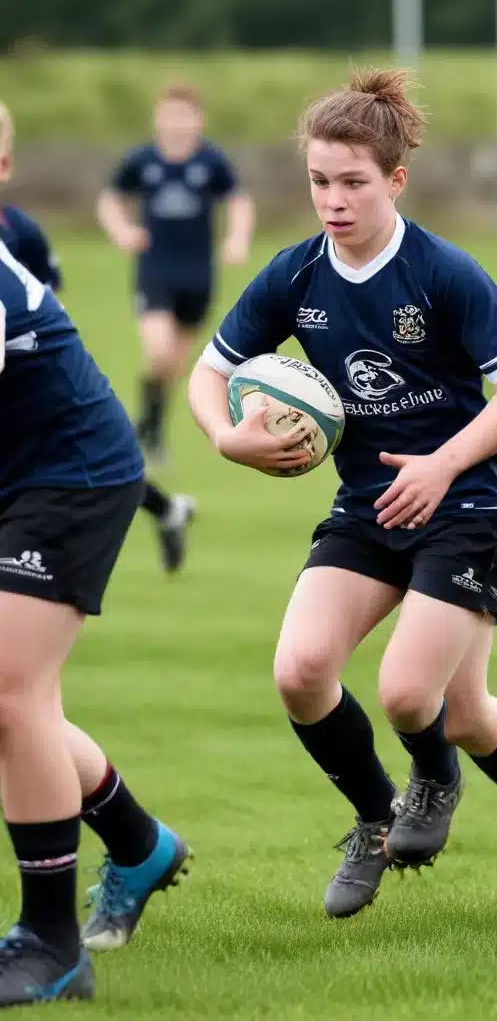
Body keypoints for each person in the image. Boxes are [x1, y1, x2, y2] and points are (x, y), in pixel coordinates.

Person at [188, 68, 497, 920]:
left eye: (353, 182)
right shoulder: (296, 275)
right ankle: (388, 820)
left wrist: (441, 466)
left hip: (473, 507)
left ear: (395, 180)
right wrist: (225, 436)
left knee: (425, 702)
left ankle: (487, 805)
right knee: (304, 672)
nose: (333, 201)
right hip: (372, 506)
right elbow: (211, 370)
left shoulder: (443, 273)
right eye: (318, 181)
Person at [0, 240, 191, 1007]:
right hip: (19, 475)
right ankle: (139, 844)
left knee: (9, 692)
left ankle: (52, 945)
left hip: (70, 475)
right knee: (25, 706)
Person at [0, 99, 195, 573]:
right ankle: (167, 505)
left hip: (38, 395)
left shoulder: (19, 231)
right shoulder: (141, 163)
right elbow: (113, 196)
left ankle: (162, 487)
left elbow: (47, 311)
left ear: (5, 165)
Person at [96, 83, 254, 465]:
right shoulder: (143, 160)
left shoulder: (211, 162)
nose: (177, 124)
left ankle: (149, 426)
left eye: (185, 116)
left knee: (176, 367)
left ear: (198, 121)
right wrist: (122, 230)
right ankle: (147, 428)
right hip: (155, 271)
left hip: (199, 275)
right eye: (170, 115)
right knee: (159, 350)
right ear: (157, 119)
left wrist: (237, 238)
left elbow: (238, 200)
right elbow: (110, 197)